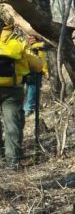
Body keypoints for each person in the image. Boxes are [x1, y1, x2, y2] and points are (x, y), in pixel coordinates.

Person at [0, 22, 43, 167]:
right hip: (13, 89)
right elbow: (37, 66)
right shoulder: (18, 40)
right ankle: (13, 161)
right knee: (13, 124)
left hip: (13, 89)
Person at [23, 35, 48, 117]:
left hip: (32, 72)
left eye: (32, 38)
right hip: (31, 72)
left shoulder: (37, 47)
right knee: (32, 90)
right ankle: (28, 109)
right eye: (29, 38)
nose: (30, 39)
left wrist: (45, 71)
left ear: (36, 39)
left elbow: (43, 60)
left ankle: (27, 109)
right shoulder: (30, 47)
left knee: (30, 90)